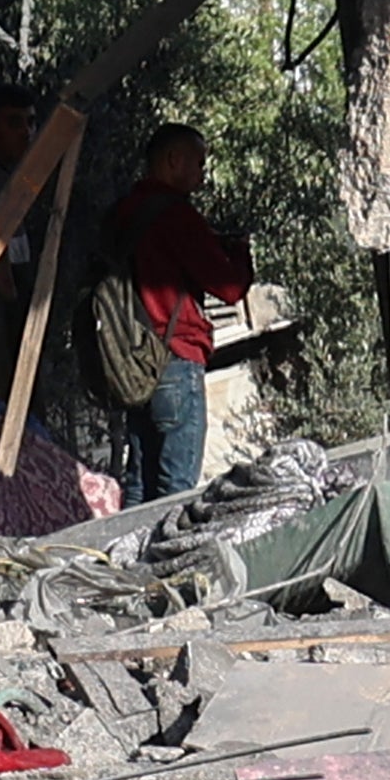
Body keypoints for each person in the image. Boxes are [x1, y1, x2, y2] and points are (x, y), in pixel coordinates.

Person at [112, 127, 248, 508]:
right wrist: (238, 253)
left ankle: (128, 546)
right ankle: (168, 548)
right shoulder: (176, 215)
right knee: (177, 486)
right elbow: (229, 288)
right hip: (175, 358)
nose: (203, 174)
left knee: (139, 482)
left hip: (133, 362)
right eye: (199, 163)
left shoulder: (124, 212)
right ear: (173, 160)